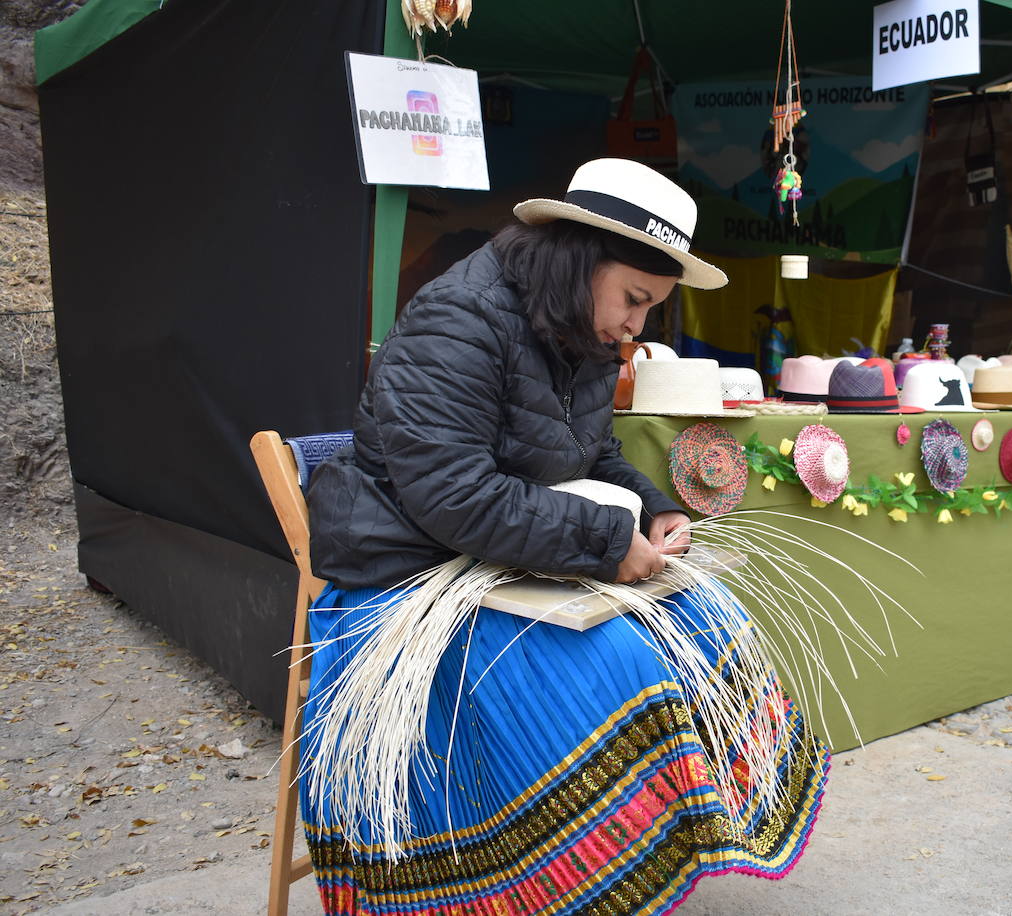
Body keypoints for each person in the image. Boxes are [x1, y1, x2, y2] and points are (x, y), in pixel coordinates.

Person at [298, 158, 827, 916]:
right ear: (578, 261)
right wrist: (608, 545)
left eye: (653, 309)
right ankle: (548, 888)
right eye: (634, 300)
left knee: (714, 621)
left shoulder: (576, 327)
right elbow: (454, 497)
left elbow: (589, 453)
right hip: (411, 568)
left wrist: (648, 511)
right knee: (616, 665)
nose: (637, 327)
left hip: (509, 553)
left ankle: (640, 862)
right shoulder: (459, 321)